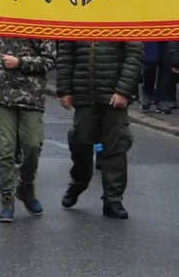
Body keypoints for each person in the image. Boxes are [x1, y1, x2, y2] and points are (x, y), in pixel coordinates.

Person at [56, 40, 144, 219]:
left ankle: (113, 198)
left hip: (113, 94)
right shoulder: (77, 15)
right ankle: (79, 182)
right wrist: (64, 89)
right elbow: (65, 53)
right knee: (79, 142)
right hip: (84, 93)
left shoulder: (124, 15)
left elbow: (134, 54)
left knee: (116, 146)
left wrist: (123, 90)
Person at [0, 37, 56, 222]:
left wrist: (20, 62)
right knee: (5, 148)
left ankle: (26, 185)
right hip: (0, 92)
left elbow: (49, 59)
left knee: (33, 146)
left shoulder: (40, 20)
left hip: (30, 94)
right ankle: (7, 197)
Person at [140, 41, 179, 114]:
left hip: (168, 34)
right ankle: (147, 91)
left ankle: (161, 99)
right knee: (150, 60)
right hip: (151, 33)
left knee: (166, 64)